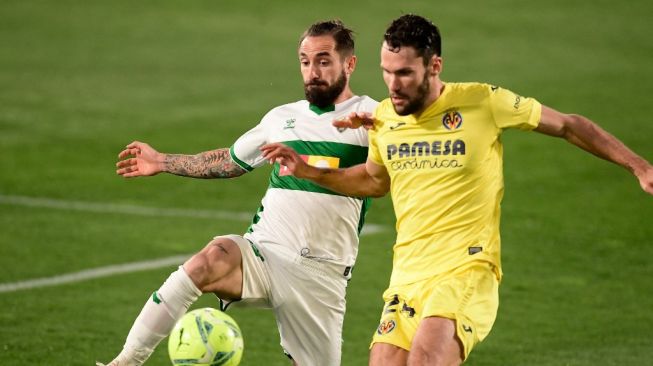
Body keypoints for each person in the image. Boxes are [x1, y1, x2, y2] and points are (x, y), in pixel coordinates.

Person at [260, 14, 653, 365]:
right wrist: (309, 172)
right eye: (386, 72)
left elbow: (568, 125)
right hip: (408, 275)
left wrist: (640, 166)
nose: (392, 86)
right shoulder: (383, 118)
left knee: (427, 357)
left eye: (404, 74)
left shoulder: (483, 102)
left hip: (466, 268)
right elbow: (373, 182)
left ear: (435, 67)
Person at [97, 19, 378, 366]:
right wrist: (162, 161)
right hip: (266, 252)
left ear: (349, 64)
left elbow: (390, 176)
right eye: (305, 61)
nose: (312, 71)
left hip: (321, 275)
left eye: (323, 60)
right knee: (209, 260)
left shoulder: (372, 118)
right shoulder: (281, 118)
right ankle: (126, 361)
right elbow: (229, 161)